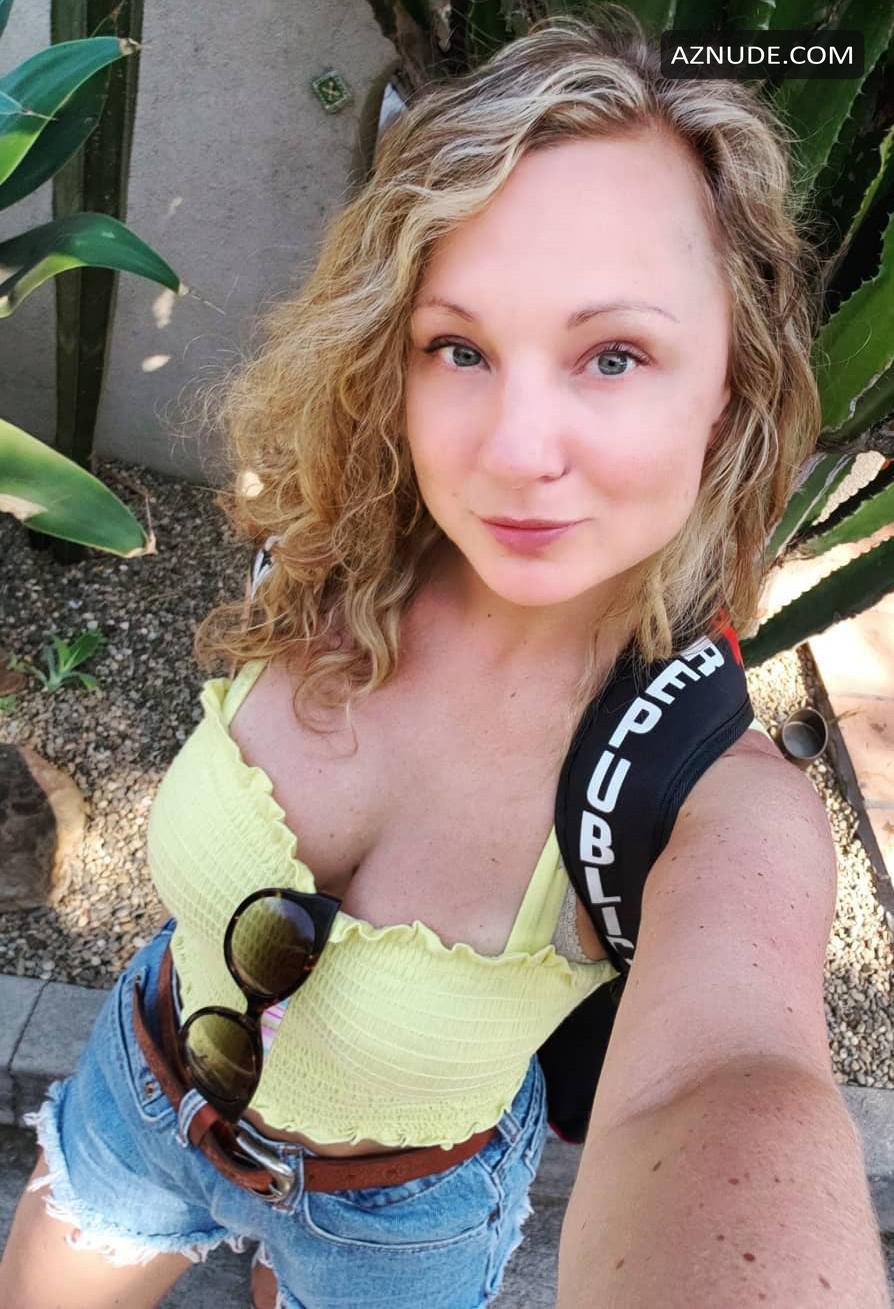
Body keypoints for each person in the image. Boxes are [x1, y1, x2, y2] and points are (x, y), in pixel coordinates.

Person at [0, 9, 888, 1308]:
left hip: (394, 1227)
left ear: (729, 388)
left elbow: (730, 1080)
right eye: (458, 347)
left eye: (614, 354)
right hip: (143, 1092)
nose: (515, 450)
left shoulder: (704, 806)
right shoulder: (326, 553)